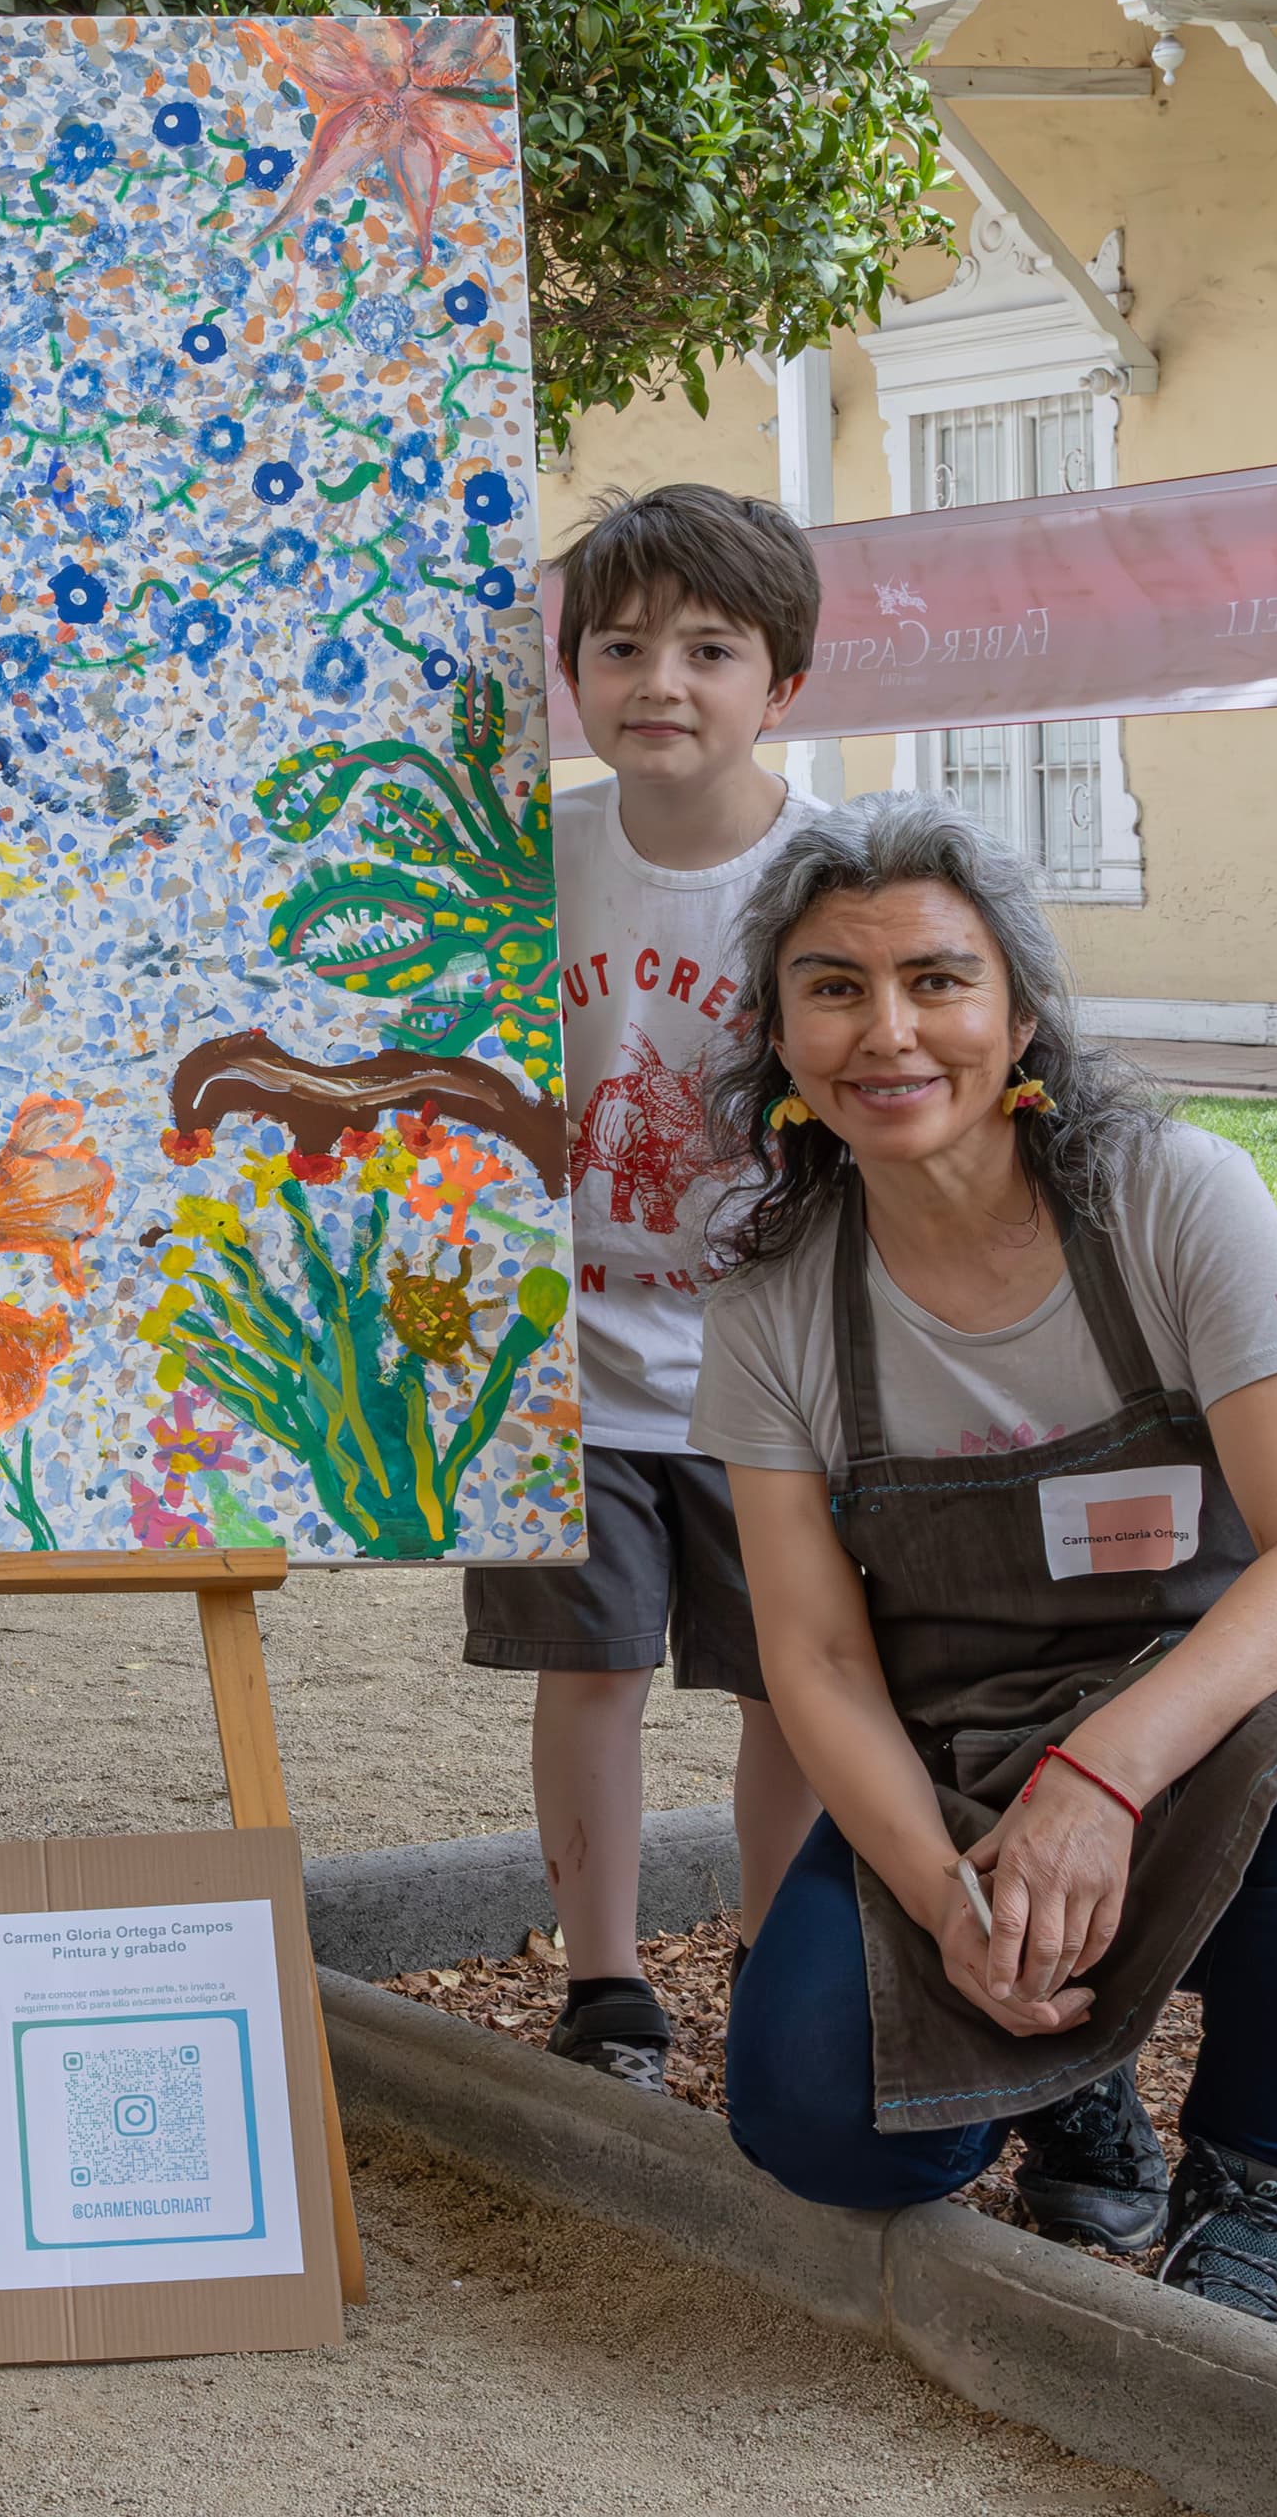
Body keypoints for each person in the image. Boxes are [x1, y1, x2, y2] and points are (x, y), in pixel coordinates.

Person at [697, 797, 1277, 2335]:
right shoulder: (772, 1310)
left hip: (1223, 1705)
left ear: (1020, 1014)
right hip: (959, 1747)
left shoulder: (1172, 1194)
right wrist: (950, 1898)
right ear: (778, 1033)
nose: (887, 1033)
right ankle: (1068, 2095)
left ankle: (1243, 2201)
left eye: (937, 981)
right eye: (832, 987)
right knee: (821, 2126)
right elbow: (815, 1660)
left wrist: (1095, 1787)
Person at [457, 483, 830, 2088]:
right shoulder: (527, 856)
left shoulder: (838, 872)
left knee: (792, 1683)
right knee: (590, 1664)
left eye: (709, 647)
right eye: (619, 646)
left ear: (783, 682)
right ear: (572, 673)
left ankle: (779, 1955)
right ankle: (603, 1981)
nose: (659, 681)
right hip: (573, 1362)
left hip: (778, 1363)